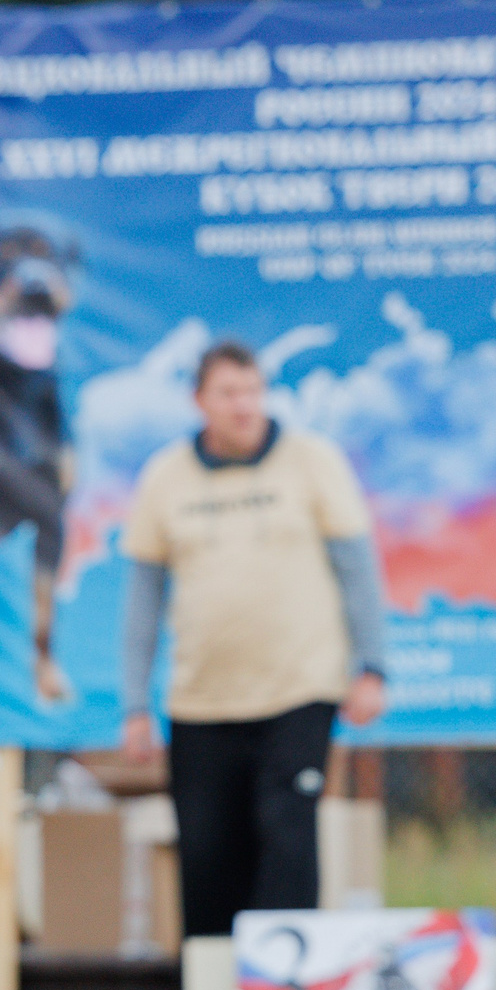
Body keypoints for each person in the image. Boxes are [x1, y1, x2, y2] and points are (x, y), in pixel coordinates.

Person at [120, 338, 389, 936]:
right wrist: (135, 704)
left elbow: (357, 568)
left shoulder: (312, 461)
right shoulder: (165, 477)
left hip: (299, 688)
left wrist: (373, 665)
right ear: (199, 400)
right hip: (202, 700)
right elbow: (143, 598)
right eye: (228, 393)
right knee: (209, 853)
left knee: (287, 836)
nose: (244, 406)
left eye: (252, 391)